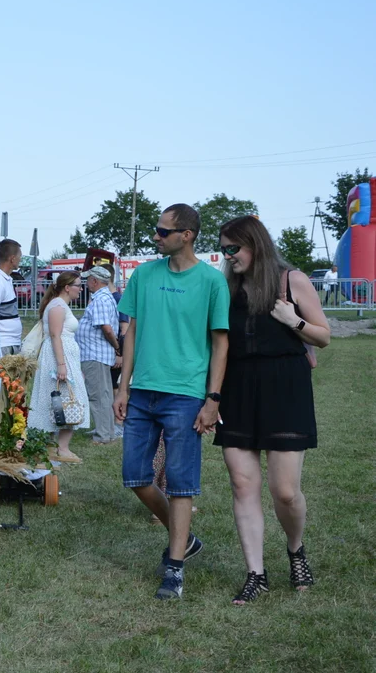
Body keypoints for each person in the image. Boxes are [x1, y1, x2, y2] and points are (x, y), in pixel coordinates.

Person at [114, 203, 230, 600]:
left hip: (186, 393)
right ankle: (186, 540)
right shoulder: (144, 275)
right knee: (135, 476)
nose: (156, 237)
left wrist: (212, 398)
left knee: (181, 484)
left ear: (187, 235)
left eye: (163, 232)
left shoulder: (213, 282)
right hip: (143, 391)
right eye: (156, 230)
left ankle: (175, 568)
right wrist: (122, 387)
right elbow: (130, 334)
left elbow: (220, 342)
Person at [215, 216, 330, 605]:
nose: (229, 257)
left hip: (285, 386)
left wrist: (293, 319)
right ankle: (255, 574)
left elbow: (323, 335)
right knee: (243, 484)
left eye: (235, 248)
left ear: (256, 245)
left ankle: (295, 550)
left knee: (285, 492)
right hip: (238, 388)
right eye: (225, 249)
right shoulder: (226, 288)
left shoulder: (290, 280)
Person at [28, 271, 90, 463]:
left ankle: (58, 447)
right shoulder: (57, 306)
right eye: (78, 285)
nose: (81, 289)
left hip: (66, 357)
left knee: (68, 399)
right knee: (62, 399)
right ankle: (59, 448)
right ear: (67, 287)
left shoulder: (60, 305)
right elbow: (55, 336)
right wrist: (62, 365)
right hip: (57, 358)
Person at [75, 266, 121, 444]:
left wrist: (116, 346)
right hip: (98, 353)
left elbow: (106, 328)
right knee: (105, 394)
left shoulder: (101, 299)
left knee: (97, 395)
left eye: (88, 280)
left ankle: (102, 435)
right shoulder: (105, 298)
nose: (86, 284)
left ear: (95, 281)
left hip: (95, 354)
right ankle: (108, 432)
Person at [103, 263, 129, 440]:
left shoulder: (118, 298)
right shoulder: (106, 296)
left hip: (117, 351)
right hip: (108, 351)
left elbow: (124, 328)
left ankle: (119, 423)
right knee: (110, 386)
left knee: (116, 386)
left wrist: (120, 353)